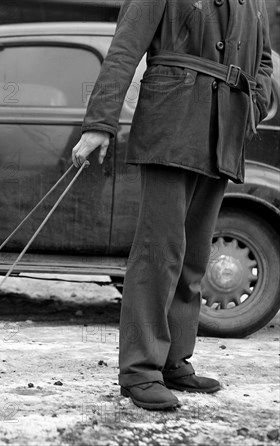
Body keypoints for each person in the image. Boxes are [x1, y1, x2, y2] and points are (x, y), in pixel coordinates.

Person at [72, 0, 273, 410]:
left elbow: (265, 62)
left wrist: (253, 104)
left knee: (194, 257)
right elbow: (125, 49)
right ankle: (140, 371)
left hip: (224, 134)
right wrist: (99, 124)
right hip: (171, 122)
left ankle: (173, 360)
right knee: (158, 253)